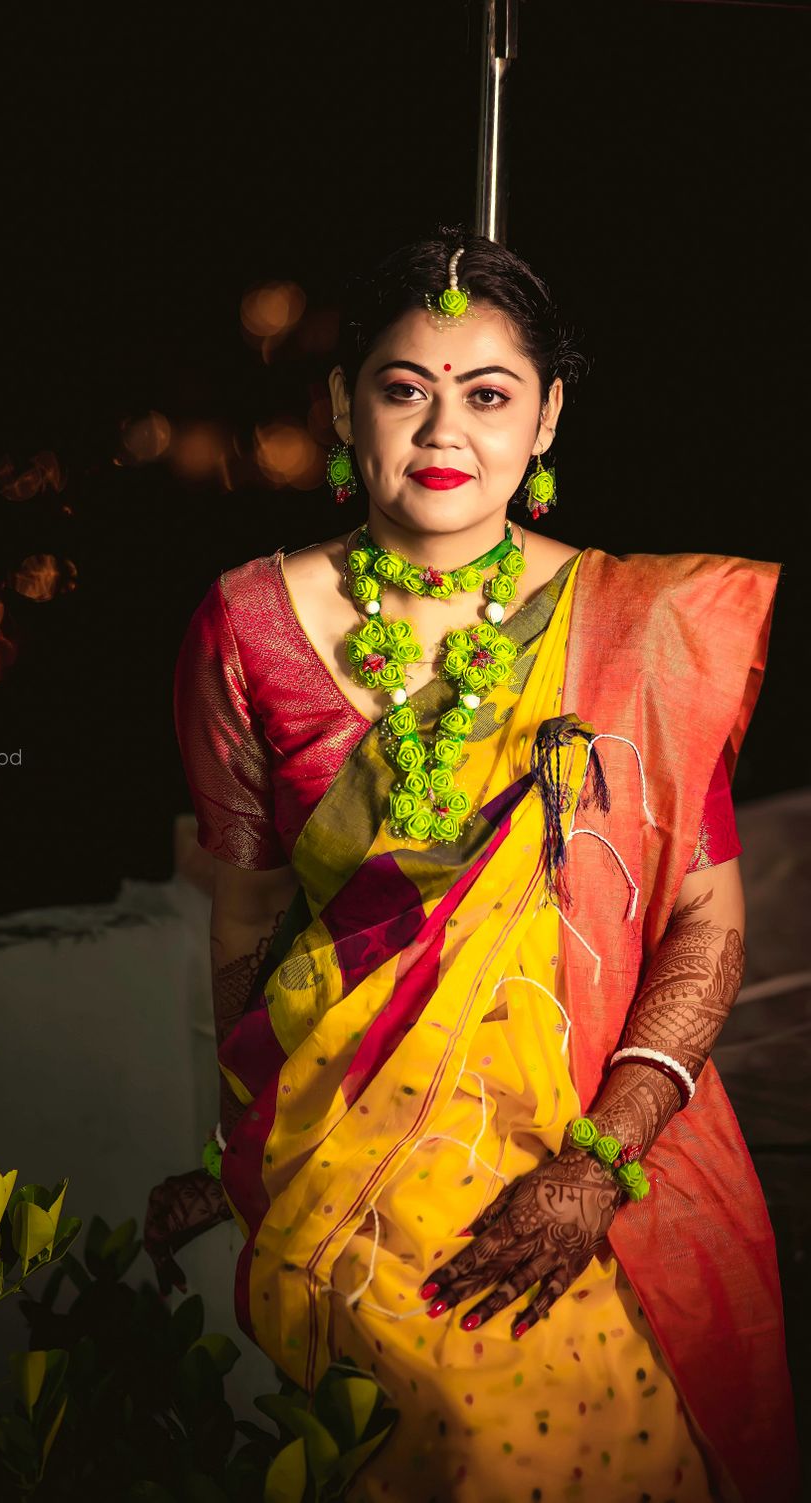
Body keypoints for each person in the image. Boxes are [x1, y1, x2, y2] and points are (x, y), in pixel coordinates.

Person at [148, 228, 798, 1503]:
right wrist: (246, 1151)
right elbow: (249, 915)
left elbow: (706, 922)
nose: (446, 429)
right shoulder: (248, 624)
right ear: (345, 408)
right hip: (346, 1182)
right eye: (404, 388)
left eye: (490, 394)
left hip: (578, 1175)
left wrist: (591, 1169)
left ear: (546, 418)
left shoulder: (637, 631)